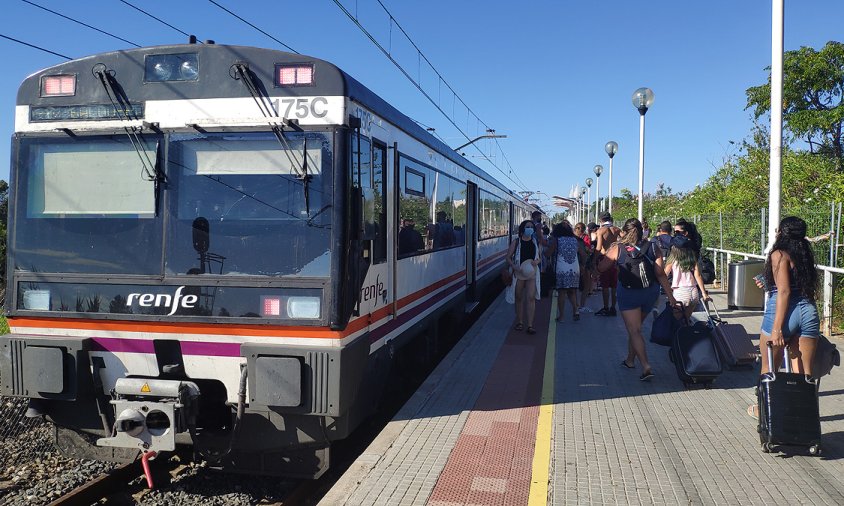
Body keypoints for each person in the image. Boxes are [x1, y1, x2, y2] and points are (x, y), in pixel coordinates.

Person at [748, 216, 820, 419]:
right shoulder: (804, 252)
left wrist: (778, 327)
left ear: (780, 232)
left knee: (770, 368)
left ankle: (765, 412)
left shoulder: (779, 254)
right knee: (804, 375)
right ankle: (803, 420)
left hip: (783, 313)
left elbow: (785, 291)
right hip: (808, 311)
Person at [598, 218, 676, 381]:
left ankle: (646, 366)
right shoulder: (653, 246)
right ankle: (630, 360)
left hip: (629, 293)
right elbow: (660, 273)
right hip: (650, 293)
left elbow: (602, 267)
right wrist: (671, 297)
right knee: (636, 330)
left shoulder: (618, 248)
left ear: (624, 232)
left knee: (635, 331)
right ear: (642, 231)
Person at [506, 219, 541, 335]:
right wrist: (514, 266)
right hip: (519, 273)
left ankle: (530, 325)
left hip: (531, 273)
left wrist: (537, 262)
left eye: (531, 226)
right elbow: (508, 257)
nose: (530, 228)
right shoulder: (516, 242)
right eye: (527, 226)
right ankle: (520, 322)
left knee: (531, 298)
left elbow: (539, 257)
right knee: (519, 297)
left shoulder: (535, 242)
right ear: (523, 229)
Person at [663, 234, 710, 320]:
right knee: (686, 320)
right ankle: (686, 332)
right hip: (694, 292)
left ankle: (677, 333)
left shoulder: (672, 260)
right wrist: (703, 293)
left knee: (676, 320)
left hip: (680, 293)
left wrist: (667, 292)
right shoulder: (692, 259)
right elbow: (698, 275)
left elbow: (664, 275)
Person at [546, 222, 584, 322]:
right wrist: (582, 265)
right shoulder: (575, 240)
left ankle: (561, 316)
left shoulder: (557, 240)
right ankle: (575, 310)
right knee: (572, 291)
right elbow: (583, 254)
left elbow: (548, 253)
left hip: (562, 269)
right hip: (575, 269)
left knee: (562, 292)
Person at [594, 212, 622, 316]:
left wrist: (594, 260)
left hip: (605, 258)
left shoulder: (601, 230)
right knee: (614, 285)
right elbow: (625, 238)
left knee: (605, 285)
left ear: (601, 220)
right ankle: (613, 308)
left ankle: (606, 307)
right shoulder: (616, 229)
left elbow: (598, 247)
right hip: (615, 259)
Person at [574, 222, 595, 313]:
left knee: (574, 287)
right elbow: (586, 251)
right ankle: (581, 306)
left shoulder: (571, 238)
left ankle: (576, 306)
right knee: (586, 285)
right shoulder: (584, 238)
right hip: (583, 264)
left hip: (573, 264)